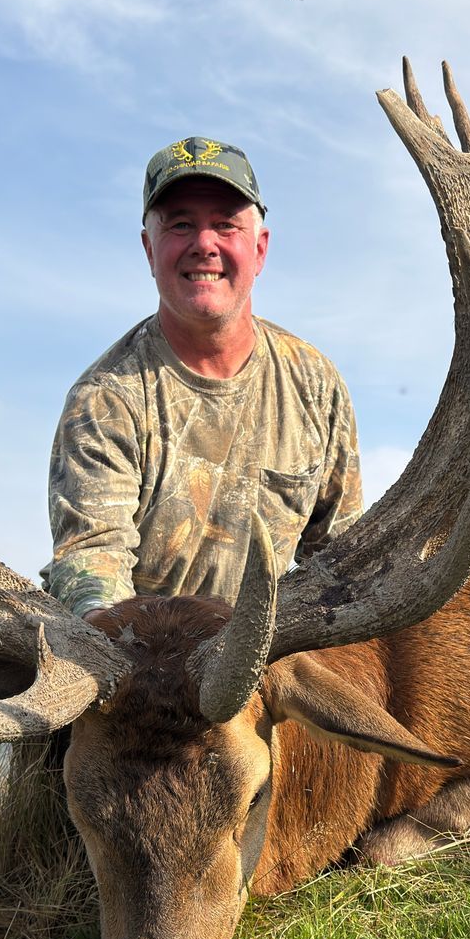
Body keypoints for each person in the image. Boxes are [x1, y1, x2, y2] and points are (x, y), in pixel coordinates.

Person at [42, 138, 363, 618]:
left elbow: (341, 558)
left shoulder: (314, 383)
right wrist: (107, 630)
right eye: (181, 225)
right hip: (139, 664)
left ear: (259, 250)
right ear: (150, 249)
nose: (204, 244)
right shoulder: (105, 399)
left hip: (263, 659)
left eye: (225, 225)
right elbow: (93, 558)